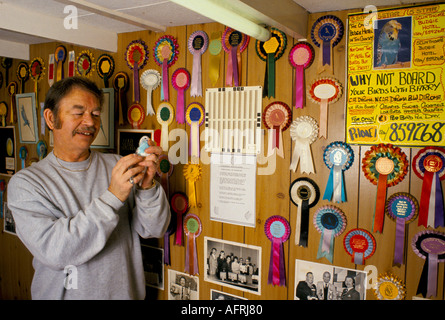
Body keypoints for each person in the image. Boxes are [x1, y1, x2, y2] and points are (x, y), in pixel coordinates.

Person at [7, 76, 170, 300]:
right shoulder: (27, 184)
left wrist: (147, 186)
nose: (90, 122)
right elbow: (56, 251)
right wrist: (113, 197)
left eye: (95, 114)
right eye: (78, 112)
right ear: (51, 118)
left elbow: (153, 229)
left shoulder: (117, 166)